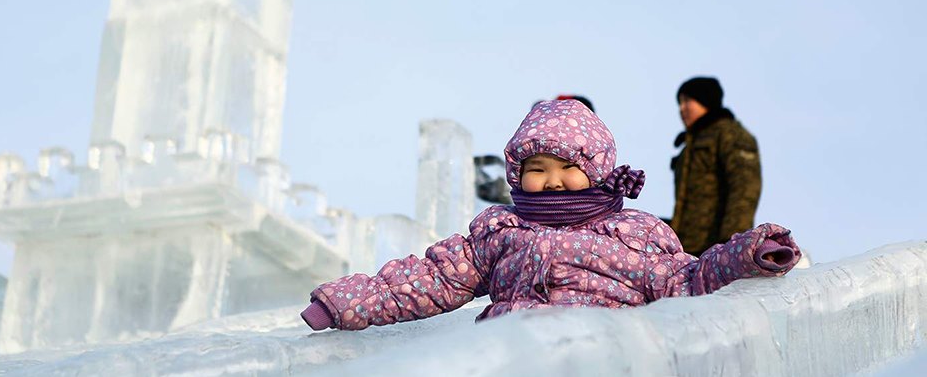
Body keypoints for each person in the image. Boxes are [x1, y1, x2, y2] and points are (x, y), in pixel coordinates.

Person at [300, 100, 798, 331]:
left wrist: (747, 255)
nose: (553, 179)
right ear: (517, 175)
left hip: (603, 350)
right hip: (511, 351)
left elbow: (687, 281)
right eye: (536, 168)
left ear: (598, 170)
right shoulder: (502, 232)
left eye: (569, 167)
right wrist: (344, 304)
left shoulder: (634, 235)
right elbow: (429, 279)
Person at [670, 77, 762, 256]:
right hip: (686, 248)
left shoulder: (730, 135)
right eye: (679, 103)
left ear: (705, 100)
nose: (682, 109)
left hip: (717, 247)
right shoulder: (688, 147)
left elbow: (745, 188)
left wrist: (732, 242)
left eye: (687, 101)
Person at [474, 94, 596, 205]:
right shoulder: (504, 222)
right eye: (537, 170)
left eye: (568, 167)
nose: (553, 183)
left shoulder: (608, 222)